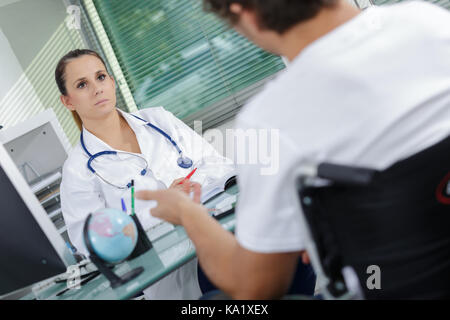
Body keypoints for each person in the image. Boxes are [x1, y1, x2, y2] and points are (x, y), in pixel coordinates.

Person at [136, 0, 450, 299]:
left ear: (243, 12)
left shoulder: (270, 118)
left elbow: (255, 288)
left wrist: (188, 214)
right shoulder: (430, 22)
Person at [55, 49, 235, 299]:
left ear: (112, 81)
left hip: (221, 240)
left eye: (101, 77)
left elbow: (220, 165)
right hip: (172, 278)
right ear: (68, 102)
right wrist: (158, 210)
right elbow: (92, 246)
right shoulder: (78, 170)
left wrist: (189, 193)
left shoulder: (159, 120)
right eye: (82, 84)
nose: (97, 88)